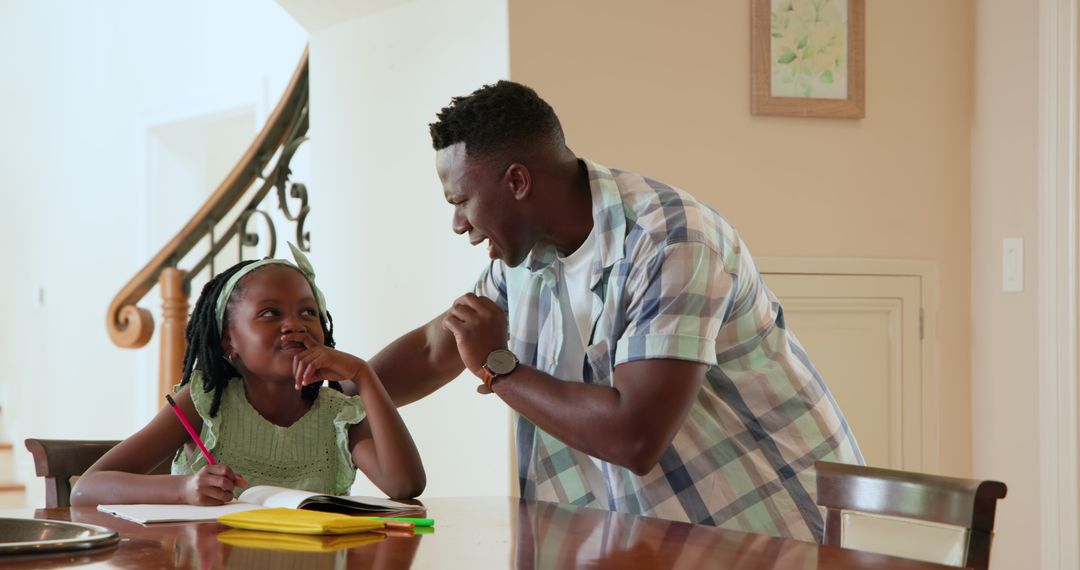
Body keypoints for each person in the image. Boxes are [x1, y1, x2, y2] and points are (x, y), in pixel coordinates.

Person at [360, 80, 863, 542]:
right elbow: (437, 349)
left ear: (517, 182)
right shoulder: (526, 256)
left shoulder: (672, 241)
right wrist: (325, 393)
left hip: (771, 533)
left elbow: (635, 436)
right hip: (656, 538)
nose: (457, 224)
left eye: (462, 200)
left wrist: (498, 368)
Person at [72, 245, 426, 506]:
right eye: (271, 313)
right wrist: (183, 489)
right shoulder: (205, 405)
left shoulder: (338, 413)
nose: (295, 325)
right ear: (230, 342)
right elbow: (87, 489)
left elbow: (405, 486)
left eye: (308, 312)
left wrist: (364, 376)